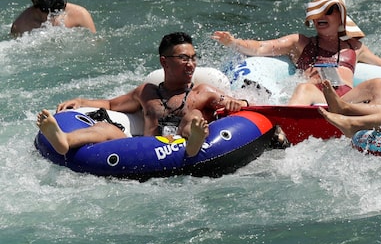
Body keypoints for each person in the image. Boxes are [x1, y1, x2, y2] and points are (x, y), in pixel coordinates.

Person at [36, 32, 247, 157]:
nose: (191, 64)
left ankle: (195, 140)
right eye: (183, 58)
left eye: (193, 57)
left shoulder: (203, 92)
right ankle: (64, 139)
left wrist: (237, 104)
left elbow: (239, 103)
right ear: (165, 61)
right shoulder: (147, 92)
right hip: (145, 151)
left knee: (194, 117)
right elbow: (111, 105)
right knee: (104, 127)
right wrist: (81, 101)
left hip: (183, 149)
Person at [213, 0, 381, 106]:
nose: (322, 16)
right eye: (318, 13)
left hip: (346, 100)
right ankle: (284, 130)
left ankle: (376, 130)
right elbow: (259, 48)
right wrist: (234, 42)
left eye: (329, 11)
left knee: (379, 84)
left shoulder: (354, 46)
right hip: (318, 96)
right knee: (305, 88)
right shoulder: (301, 42)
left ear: (341, 17)